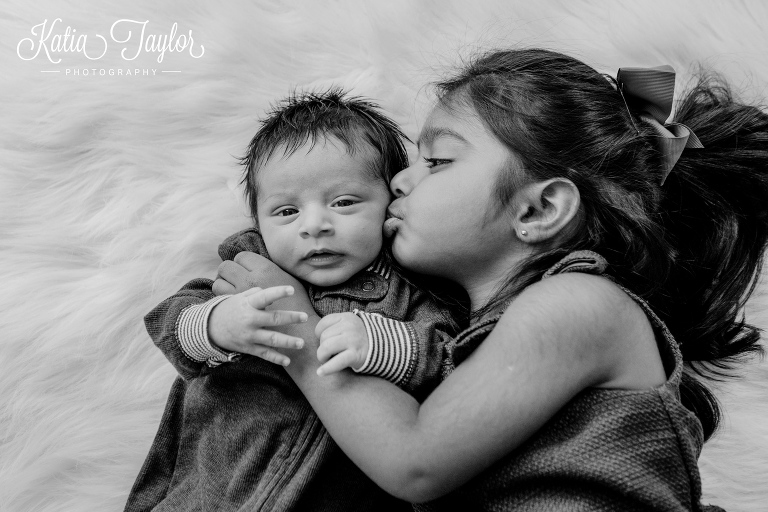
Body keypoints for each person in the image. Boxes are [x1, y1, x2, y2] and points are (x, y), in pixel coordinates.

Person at [214, 49, 768, 511]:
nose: (400, 182)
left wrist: (297, 331)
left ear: (538, 210)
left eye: (436, 161)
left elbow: (415, 463)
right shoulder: (459, 328)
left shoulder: (578, 304)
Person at [124, 90, 463, 512]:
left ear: (392, 205)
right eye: (286, 212)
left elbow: (446, 358)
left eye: (344, 202)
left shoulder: (409, 290)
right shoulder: (249, 271)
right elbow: (169, 322)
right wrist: (217, 324)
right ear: (259, 221)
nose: (315, 225)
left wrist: (380, 345)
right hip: (206, 494)